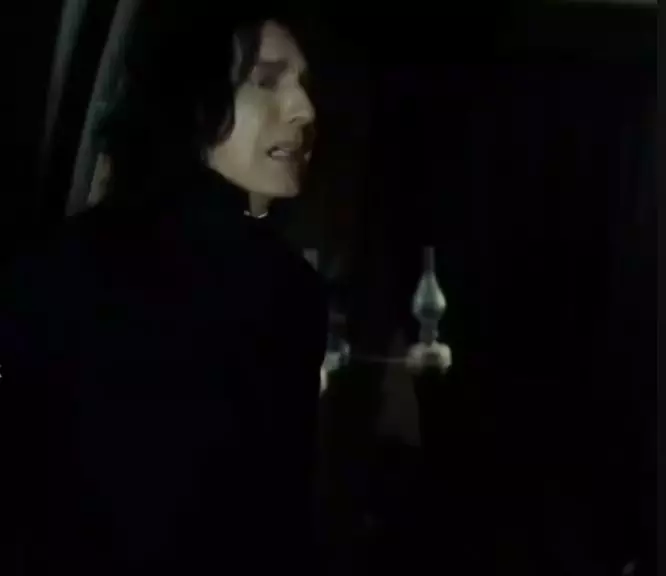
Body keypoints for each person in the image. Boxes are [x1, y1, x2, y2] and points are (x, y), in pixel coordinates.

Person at [2, 3, 328, 574]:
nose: (304, 109)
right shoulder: (281, 291)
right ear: (192, 99)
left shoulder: (54, 264)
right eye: (265, 80)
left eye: (302, 84)